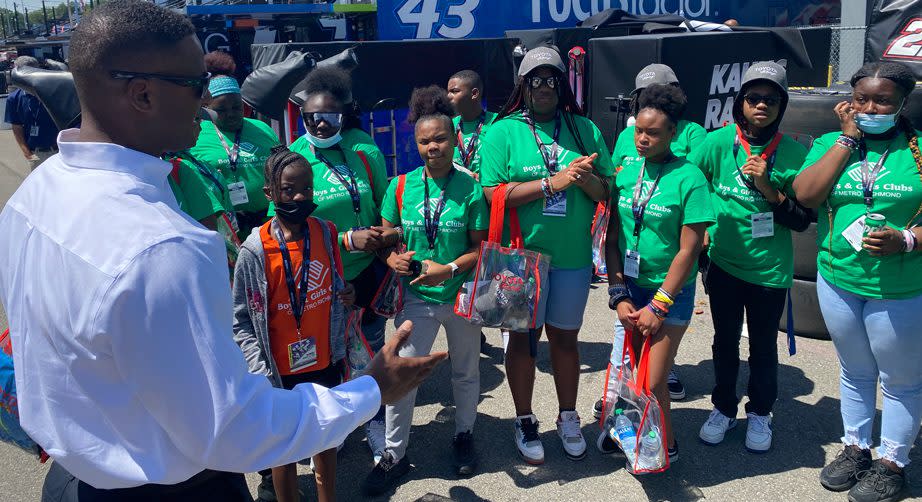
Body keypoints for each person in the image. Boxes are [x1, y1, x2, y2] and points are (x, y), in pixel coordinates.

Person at [0, 2, 445, 500]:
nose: (209, 102)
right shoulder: (162, 248)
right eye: (196, 86)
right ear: (142, 93)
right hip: (170, 487)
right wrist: (371, 389)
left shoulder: (29, 200)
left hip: (72, 481)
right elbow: (233, 430)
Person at [479, 46, 615, 464]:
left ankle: (568, 416)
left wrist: (584, 178)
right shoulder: (502, 131)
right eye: (534, 79)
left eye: (551, 79)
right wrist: (554, 183)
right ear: (523, 85)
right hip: (521, 258)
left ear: (562, 84)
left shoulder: (583, 128)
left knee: (565, 339)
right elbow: (493, 193)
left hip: (572, 256)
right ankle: (524, 419)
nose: (543, 87)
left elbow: (606, 192)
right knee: (521, 341)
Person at [793, 61, 922, 502]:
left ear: (903, 102)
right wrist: (848, 139)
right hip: (838, 279)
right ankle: (856, 448)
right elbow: (807, 194)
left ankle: (893, 462)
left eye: (883, 99)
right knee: (854, 372)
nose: (871, 107)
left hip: (899, 288)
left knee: (901, 380)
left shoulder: (918, 149)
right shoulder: (832, 143)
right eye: (862, 98)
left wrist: (907, 239)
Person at [362, 87, 489, 494]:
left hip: (461, 294)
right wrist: (390, 260)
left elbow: (479, 248)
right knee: (404, 376)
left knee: (466, 371)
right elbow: (383, 237)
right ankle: (394, 455)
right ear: (415, 144)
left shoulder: (470, 189)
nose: (433, 146)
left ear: (454, 140)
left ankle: (464, 435)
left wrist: (448, 268)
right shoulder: (401, 187)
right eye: (424, 141)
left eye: (440, 139)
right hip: (415, 298)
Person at [688, 62, 810, 453]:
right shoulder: (718, 142)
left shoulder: (793, 153)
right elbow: (692, 184)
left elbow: (803, 220)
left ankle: (760, 412)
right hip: (723, 264)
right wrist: (703, 226)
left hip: (769, 272)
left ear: (782, 105)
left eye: (770, 100)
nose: (761, 105)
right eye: (753, 98)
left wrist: (769, 189)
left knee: (762, 345)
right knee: (724, 341)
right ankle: (723, 407)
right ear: (740, 102)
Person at [599, 83, 715, 472]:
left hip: (671, 294)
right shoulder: (626, 173)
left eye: (653, 132)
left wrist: (660, 304)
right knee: (631, 373)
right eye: (638, 131)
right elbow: (612, 238)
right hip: (632, 288)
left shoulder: (690, 179)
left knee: (651, 379)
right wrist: (618, 293)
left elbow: (690, 248)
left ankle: (665, 444)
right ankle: (636, 429)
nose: (643, 139)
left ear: (673, 134)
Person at [233, 146, 357, 502]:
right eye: (289, 190)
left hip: (323, 360)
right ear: (270, 193)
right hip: (278, 371)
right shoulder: (254, 251)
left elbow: (332, 282)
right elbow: (240, 319)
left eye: (307, 188)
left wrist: (344, 293)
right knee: (283, 449)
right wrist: (259, 371)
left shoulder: (325, 232)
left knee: (326, 437)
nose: (301, 196)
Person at [285, 66, 396, 465]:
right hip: (318, 279)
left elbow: (386, 207)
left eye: (329, 116)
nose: (318, 122)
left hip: (366, 274)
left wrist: (388, 242)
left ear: (342, 115)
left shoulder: (364, 149)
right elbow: (282, 227)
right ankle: (337, 427)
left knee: (372, 353)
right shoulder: (294, 155)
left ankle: (375, 421)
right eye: (311, 116)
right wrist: (346, 239)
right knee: (329, 357)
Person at [191, 74, 280, 237]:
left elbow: (281, 171)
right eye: (221, 110)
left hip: (268, 221)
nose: (231, 114)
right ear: (207, 108)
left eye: (236, 107)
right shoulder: (197, 133)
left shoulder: (262, 129)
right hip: (226, 226)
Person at [4, 56, 60, 171]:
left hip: (60, 152)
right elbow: (17, 127)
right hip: (37, 154)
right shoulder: (14, 98)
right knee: (41, 187)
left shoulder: (53, 93)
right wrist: (27, 152)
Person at [447, 70, 497, 179]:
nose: (448, 96)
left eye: (454, 91)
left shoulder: (497, 123)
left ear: (474, 94)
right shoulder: (448, 126)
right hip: (459, 192)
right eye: (448, 92)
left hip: (489, 191)